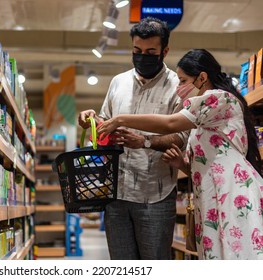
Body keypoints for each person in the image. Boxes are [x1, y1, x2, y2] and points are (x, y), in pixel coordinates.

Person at [97, 49, 263, 260]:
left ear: (202, 77)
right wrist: (181, 163)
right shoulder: (201, 122)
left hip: (233, 192)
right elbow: (204, 167)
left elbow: (170, 123)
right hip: (211, 195)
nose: (178, 88)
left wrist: (121, 119)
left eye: (183, 80)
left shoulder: (218, 99)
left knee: (238, 256)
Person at [78, 17, 188, 260]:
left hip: (155, 194)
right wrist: (91, 120)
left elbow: (182, 136)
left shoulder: (177, 87)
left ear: (164, 51)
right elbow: (105, 120)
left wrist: (144, 141)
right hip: (115, 192)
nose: (142, 56)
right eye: (137, 51)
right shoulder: (118, 82)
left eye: (151, 52)